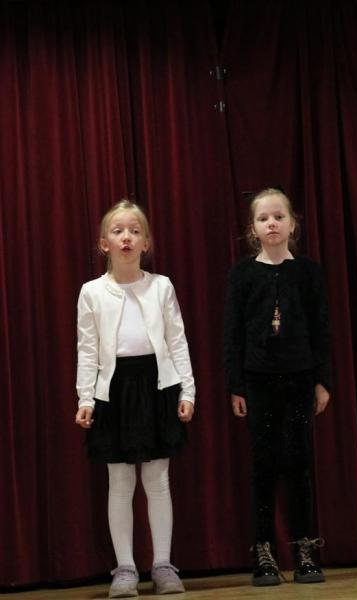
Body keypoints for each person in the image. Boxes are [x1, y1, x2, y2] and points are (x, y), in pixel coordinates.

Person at [75, 199, 195, 598]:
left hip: (158, 385)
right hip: (113, 390)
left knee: (157, 479)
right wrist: (86, 398)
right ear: (104, 243)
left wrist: (187, 390)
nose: (126, 237)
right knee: (120, 480)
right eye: (118, 231)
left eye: (134, 230)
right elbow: (87, 350)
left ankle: (162, 565)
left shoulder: (161, 286)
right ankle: (125, 568)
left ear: (146, 242)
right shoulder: (92, 292)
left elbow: (177, 341)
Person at [224, 187, 331, 586]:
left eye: (279, 217)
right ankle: (264, 551)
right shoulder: (242, 274)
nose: (272, 223)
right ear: (253, 228)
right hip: (258, 381)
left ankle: (304, 549)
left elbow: (322, 329)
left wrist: (322, 381)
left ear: (292, 224)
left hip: (300, 378)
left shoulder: (308, 272)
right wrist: (236, 385)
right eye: (263, 218)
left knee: (299, 462)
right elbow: (232, 334)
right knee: (264, 464)